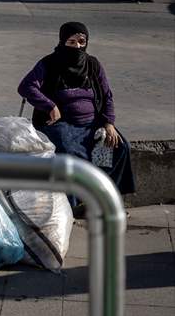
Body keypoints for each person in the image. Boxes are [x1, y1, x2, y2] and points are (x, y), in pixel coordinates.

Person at [18, 22, 135, 211]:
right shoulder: (49, 63)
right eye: (72, 42)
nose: (78, 47)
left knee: (120, 147)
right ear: (63, 42)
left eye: (82, 42)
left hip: (91, 123)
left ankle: (108, 199)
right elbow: (26, 86)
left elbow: (106, 96)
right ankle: (76, 204)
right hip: (60, 123)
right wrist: (50, 105)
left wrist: (109, 123)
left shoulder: (92, 64)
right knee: (70, 153)